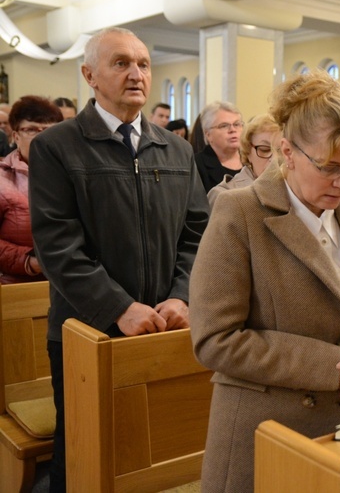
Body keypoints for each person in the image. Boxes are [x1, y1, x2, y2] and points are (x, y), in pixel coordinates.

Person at [189, 70, 340, 492]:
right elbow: (215, 338)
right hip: (268, 428)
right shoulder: (241, 212)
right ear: (288, 151)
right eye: (330, 167)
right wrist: (333, 367)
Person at [28, 27, 209, 492]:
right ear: (89, 74)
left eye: (144, 64)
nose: (136, 73)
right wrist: (119, 308)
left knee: (152, 457)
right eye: (121, 63)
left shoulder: (177, 148)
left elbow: (197, 234)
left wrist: (182, 296)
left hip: (165, 327)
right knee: (84, 453)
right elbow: (58, 247)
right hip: (90, 330)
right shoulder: (58, 147)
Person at [0, 96, 62, 284]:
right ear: (16, 136)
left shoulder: (74, 175)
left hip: (71, 286)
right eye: (31, 129)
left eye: (48, 130)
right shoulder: (3, 179)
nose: (41, 136)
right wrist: (30, 262)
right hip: (18, 289)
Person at [207, 113, 281, 210]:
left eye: (281, 151)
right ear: (248, 151)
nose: (274, 159)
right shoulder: (224, 195)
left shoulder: (295, 193)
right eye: (264, 149)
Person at [194, 101, 243, 192]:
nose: (232, 130)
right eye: (224, 126)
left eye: (236, 124)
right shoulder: (196, 165)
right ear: (208, 134)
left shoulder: (251, 159)